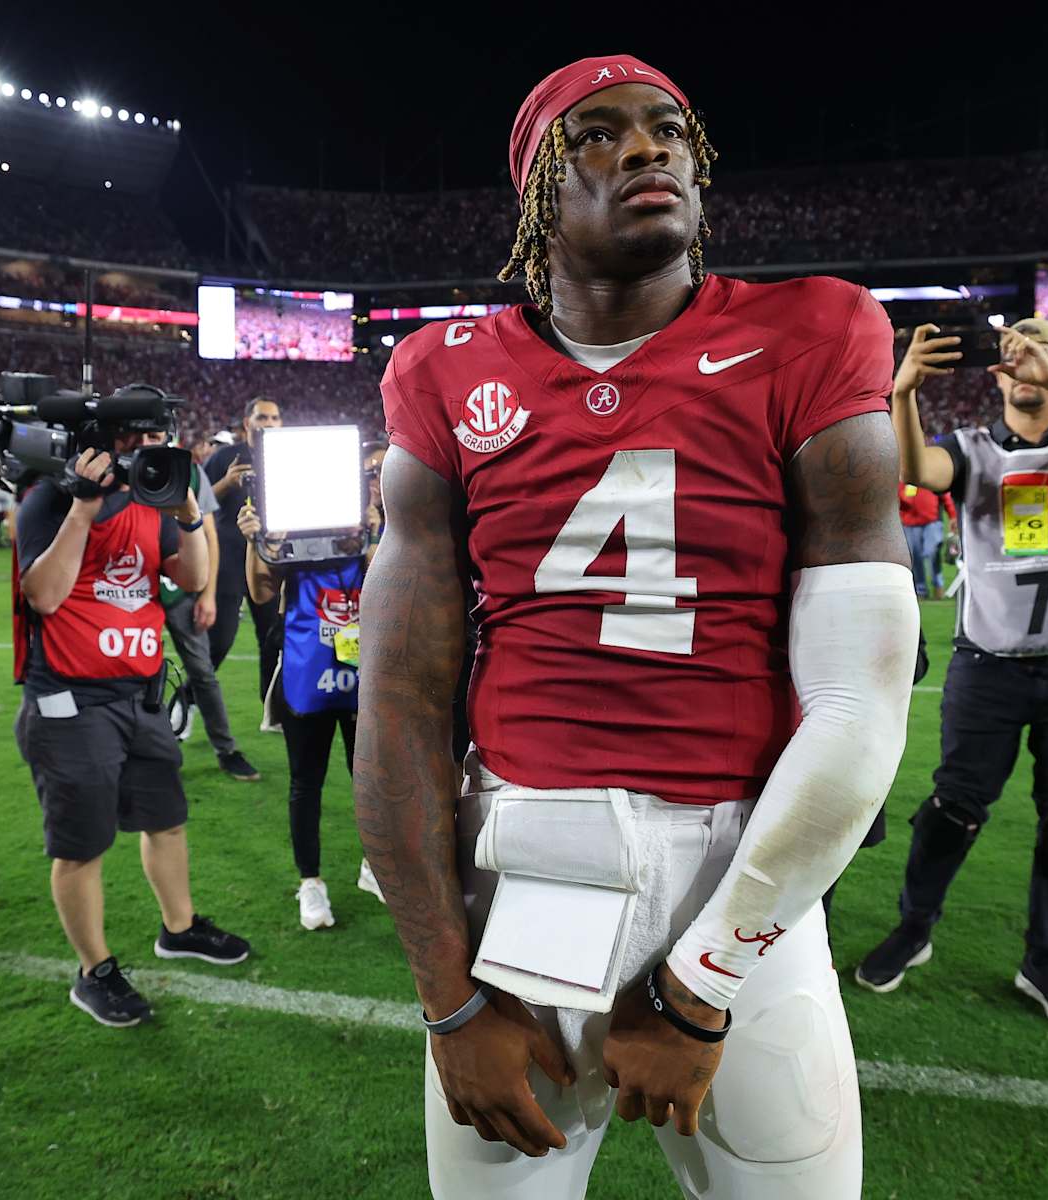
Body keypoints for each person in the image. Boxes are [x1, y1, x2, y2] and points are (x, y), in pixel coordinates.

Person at [357, 55, 918, 1199]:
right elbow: (400, 702)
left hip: (737, 878)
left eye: (667, 130)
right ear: (535, 196)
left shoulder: (813, 330)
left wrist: (701, 980)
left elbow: (865, 704)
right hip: (515, 890)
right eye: (598, 135)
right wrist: (449, 998)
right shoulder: (444, 371)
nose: (648, 148)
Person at [856, 317, 1048, 1038]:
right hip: (990, 664)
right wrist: (905, 391)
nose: (1027, 369)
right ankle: (914, 927)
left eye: (1045, 356)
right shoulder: (975, 450)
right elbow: (917, 472)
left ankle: (1045, 960)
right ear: (996, 373)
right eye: (1015, 358)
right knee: (953, 807)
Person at [13, 421, 254, 1029]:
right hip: (72, 699)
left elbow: (192, 578)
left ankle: (179, 928)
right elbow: (42, 594)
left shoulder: (154, 501)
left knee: (166, 821)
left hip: (139, 695)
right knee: (81, 846)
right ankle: (93, 970)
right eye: (135, 442)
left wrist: (190, 513)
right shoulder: (50, 496)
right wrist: (82, 509)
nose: (145, 455)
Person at [237, 505, 361, 929]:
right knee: (305, 781)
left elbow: (396, 583)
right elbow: (261, 593)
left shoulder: (372, 527)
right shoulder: (297, 531)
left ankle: (378, 864)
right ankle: (310, 882)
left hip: (368, 676)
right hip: (306, 674)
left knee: (371, 780)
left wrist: (375, 527)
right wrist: (256, 540)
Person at [154, 433, 260, 782]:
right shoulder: (119, 470)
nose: (147, 440)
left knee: (203, 671)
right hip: (136, 586)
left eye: (155, 433)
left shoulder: (191, 471)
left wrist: (208, 593)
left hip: (182, 585)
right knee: (136, 673)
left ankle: (226, 750)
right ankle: (152, 747)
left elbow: (209, 533)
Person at [205, 398, 284, 701]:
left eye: (275, 418)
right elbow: (196, 505)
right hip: (227, 560)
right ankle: (185, 702)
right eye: (262, 417)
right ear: (247, 422)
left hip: (266, 560)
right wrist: (226, 483)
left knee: (271, 638)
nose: (269, 423)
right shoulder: (225, 455)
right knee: (220, 641)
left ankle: (270, 708)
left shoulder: (285, 457)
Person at [899, 481, 952, 599]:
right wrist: (904, 496)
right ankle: (921, 590)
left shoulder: (929, 477)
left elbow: (945, 495)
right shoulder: (904, 480)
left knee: (932, 552)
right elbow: (898, 502)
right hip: (910, 524)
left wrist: (952, 515)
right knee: (915, 557)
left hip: (932, 522)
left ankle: (938, 586)